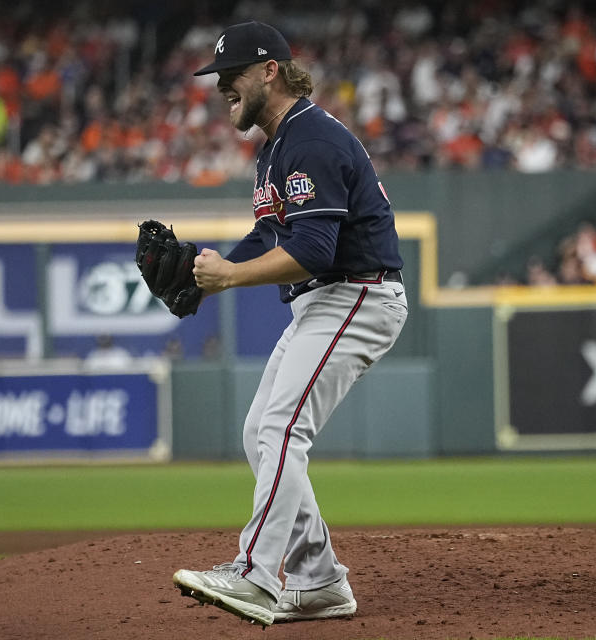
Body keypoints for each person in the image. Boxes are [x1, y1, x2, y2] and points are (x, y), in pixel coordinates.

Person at [171, 21, 408, 628]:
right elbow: (268, 238)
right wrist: (204, 268)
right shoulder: (277, 146)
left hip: (356, 292)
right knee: (260, 431)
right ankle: (321, 580)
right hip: (325, 300)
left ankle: (255, 574)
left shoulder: (312, 140)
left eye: (232, 75)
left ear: (270, 71)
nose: (222, 86)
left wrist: (230, 277)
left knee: (280, 427)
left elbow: (315, 250)